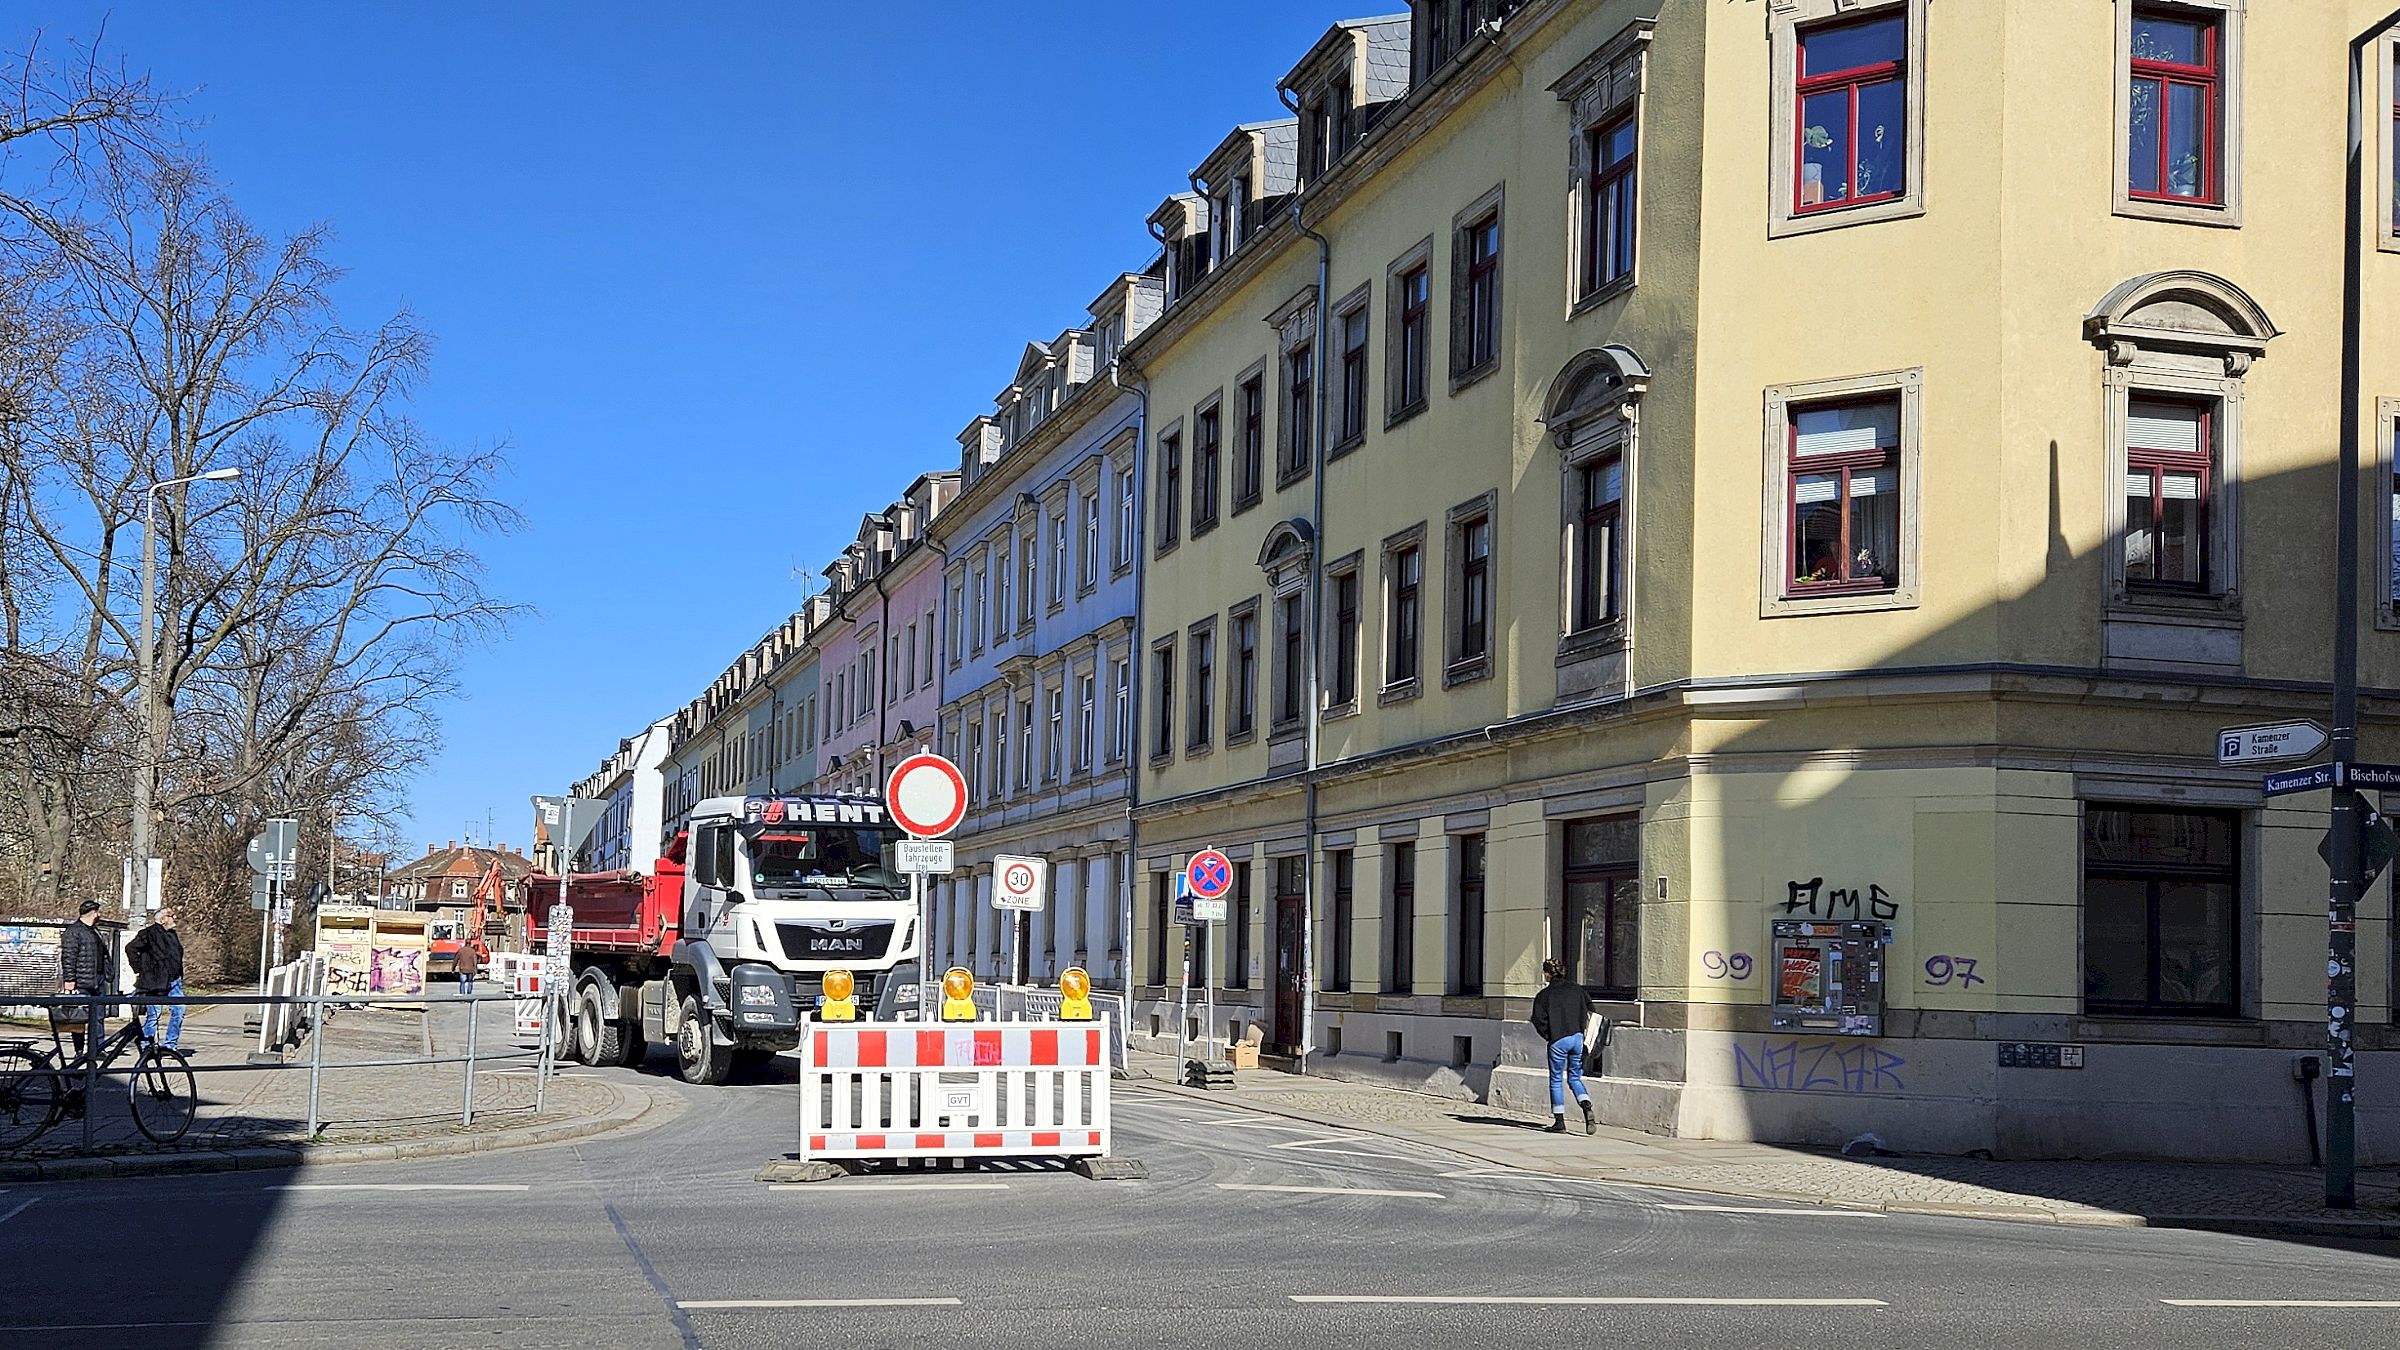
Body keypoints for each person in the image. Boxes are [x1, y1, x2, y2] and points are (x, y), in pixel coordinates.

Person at [1530, 957, 1597, 1136]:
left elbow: (1538, 1019)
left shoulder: (1544, 995)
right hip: (1577, 1038)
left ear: (1547, 974)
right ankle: (1586, 1105)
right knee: (1575, 1077)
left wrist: (1549, 1035)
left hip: (1558, 1039)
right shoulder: (1577, 990)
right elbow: (1592, 1010)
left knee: (1556, 1079)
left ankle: (1559, 1122)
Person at [56, 900, 111, 1104]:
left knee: (98, 1015)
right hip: (81, 980)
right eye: (98, 912)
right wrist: (70, 981)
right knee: (78, 1017)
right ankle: (80, 1051)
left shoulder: (95, 932)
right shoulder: (74, 932)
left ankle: (97, 1047)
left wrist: (107, 973)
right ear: (92, 912)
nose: (100, 915)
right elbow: (68, 957)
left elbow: (103, 955)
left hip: (97, 980)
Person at [127, 906, 187, 1050]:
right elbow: (131, 948)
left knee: (179, 1009)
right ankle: (146, 1044)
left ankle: (170, 1045)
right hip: (155, 982)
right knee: (154, 1015)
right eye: (171, 915)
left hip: (174, 981)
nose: (175, 918)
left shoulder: (172, 934)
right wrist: (140, 969)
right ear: (162, 919)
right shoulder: (148, 934)